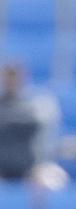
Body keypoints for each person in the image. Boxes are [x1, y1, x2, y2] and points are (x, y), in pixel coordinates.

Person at [0, 61, 66, 189]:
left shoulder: (36, 103)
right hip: (1, 168)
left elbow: (40, 121)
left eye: (15, 77)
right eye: (8, 77)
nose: (11, 81)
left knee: (52, 182)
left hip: (33, 168)